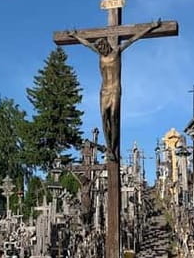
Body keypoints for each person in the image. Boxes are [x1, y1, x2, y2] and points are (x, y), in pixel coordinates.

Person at [68, 21, 161, 162]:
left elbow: (133, 39)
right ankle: (109, 148)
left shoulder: (116, 51)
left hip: (115, 89)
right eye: (98, 48)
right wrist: (75, 36)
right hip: (104, 90)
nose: (101, 49)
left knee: (113, 117)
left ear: (106, 44)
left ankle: (113, 146)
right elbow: (87, 44)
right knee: (104, 118)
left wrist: (150, 27)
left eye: (102, 46)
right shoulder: (100, 56)